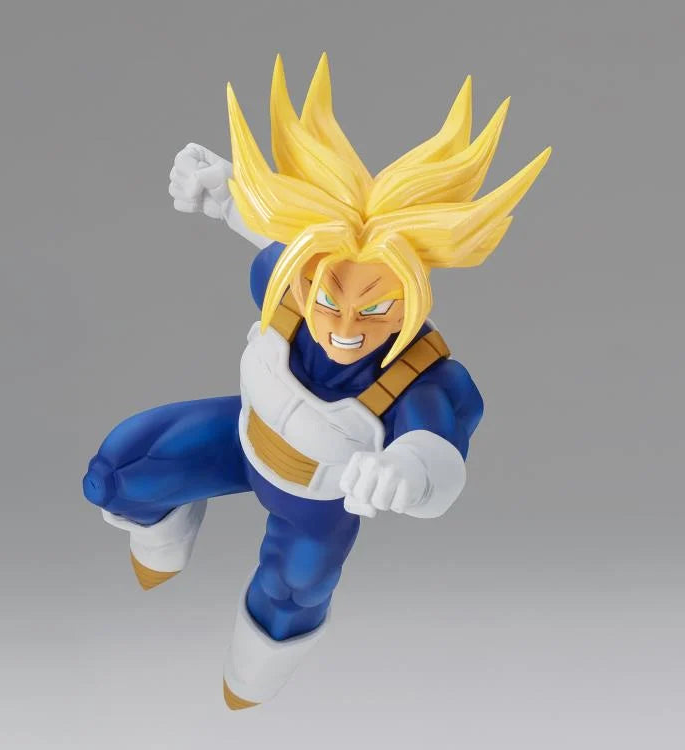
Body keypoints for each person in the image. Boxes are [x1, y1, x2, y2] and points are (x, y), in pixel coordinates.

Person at [82, 53, 550, 709]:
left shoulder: (425, 379)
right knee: (118, 470)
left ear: (411, 295)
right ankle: (166, 531)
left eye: (375, 307)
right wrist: (224, 191)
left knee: (294, 589)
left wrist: (406, 475)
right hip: (239, 441)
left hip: (317, 502)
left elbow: (440, 460)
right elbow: (269, 235)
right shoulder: (291, 288)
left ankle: (247, 684)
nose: (346, 326)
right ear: (306, 282)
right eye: (330, 299)